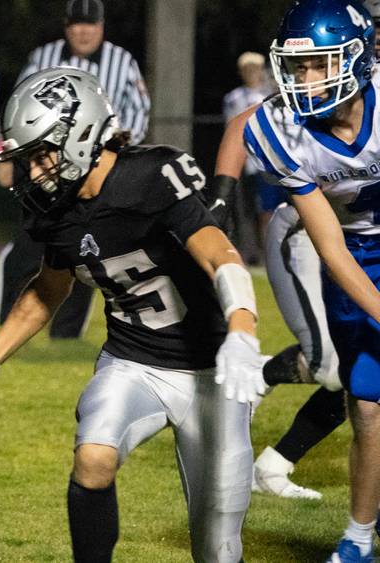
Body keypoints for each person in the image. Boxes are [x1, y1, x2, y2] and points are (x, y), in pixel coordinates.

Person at [0, 67, 263, 563]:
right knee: (93, 458)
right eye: (27, 159)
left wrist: (243, 332)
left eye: (41, 154)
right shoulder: (53, 210)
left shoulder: (151, 175)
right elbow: (47, 289)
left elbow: (220, 255)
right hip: (132, 361)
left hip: (212, 370)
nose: (33, 173)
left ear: (79, 135)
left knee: (218, 548)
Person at [244, 1, 380, 560]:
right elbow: (330, 244)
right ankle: (357, 537)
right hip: (351, 252)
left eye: (319, 65)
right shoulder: (279, 128)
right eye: (297, 69)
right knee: (367, 402)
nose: (305, 81)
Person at [0, 0, 151, 338]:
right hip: (43, 167)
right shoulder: (43, 56)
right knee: (27, 246)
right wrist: (3, 155)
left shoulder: (121, 61)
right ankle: (10, 320)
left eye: (90, 24)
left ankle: (66, 332)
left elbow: (139, 110)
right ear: (66, 26)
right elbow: (16, 105)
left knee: (85, 247)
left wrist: (119, 156)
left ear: (101, 27)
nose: (83, 31)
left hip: (94, 172)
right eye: (77, 24)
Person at [213, 103, 345, 502]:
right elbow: (242, 124)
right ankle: (261, 373)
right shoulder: (341, 90)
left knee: (367, 371)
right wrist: (220, 196)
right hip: (305, 236)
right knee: (335, 368)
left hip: (361, 244)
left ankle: (274, 466)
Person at [222, 52, 278, 265]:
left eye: (256, 68)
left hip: (273, 161)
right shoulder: (234, 98)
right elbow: (232, 129)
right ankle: (253, 252)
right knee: (250, 210)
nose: (253, 73)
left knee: (273, 211)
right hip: (249, 162)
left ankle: (272, 254)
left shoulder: (272, 92)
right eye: (248, 69)